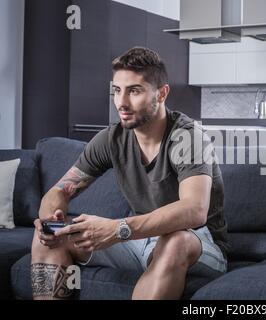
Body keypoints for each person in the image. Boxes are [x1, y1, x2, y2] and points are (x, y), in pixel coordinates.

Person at [30, 47, 229, 300]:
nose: (121, 103)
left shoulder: (188, 137)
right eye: (117, 90)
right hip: (139, 241)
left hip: (197, 242)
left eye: (134, 91)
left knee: (174, 242)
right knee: (50, 238)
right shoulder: (111, 139)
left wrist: (118, 229)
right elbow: (59, 190)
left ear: (162, 93)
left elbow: (194, 210)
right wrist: (51, 222)